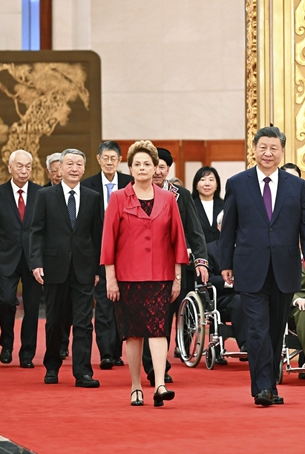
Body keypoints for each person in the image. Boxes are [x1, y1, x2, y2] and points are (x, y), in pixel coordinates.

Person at [219, 126, 305, 407]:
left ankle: (271, 383)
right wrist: (225, 262)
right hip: (250, 267)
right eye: (263, 147)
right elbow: (229, 227)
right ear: (254, 149)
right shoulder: (238, 183)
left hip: (285, 267)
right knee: (257, 328)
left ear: (282, 152)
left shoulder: (296, 185)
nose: (268, 153)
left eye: (274, 148)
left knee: (276, 330)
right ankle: (262, 387)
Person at [102, 140, 188, 407]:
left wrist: (177, 277)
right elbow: (108, 241)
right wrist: (110, 279)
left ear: (155, 168)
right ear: (130, 168)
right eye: (136, 164)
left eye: (147, 164)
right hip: (128, 277)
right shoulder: (118, 198)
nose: (142, 168)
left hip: (161, 276)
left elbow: (178, 240)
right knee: (134, 333)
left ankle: (160, 383)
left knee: (160, 330)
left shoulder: (168, 199)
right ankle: (136, 386)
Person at [29, 149, 104, 388]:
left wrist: (97, 270)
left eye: (79, 164)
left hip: (83, 268)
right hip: (54, 267)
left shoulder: (93, 197)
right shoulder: (45, 195)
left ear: (84, 168)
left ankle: (83, 372)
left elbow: (97, 235)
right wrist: (36, 262)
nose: (74, 168)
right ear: (60, 168)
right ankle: (52, 366)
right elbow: (36, 231)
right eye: (69, 164)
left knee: (83, 322)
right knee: (55, 321)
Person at [142, 147, 209, 384]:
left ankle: (160, 363)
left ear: (168, 169)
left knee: (168, 317)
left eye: (163, 167)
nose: (158, 171)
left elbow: (195, 230)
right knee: (151, 317)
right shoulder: (135, 193)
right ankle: (153, 368)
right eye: (154, 165)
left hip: (176, 269)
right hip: (143, 267)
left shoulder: (180, 195)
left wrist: (201, 261)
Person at [0, 150, 43, 368]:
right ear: (10, 167)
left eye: (28, 166)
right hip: (7, 257)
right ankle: (6, 344)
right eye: (19, 166)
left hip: (34, 260)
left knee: (33, 307)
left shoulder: (41, 193)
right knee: (7, 301)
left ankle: (27, 354)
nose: (24, 170)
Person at [80, 141, 134, 369]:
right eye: (105, 158)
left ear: (120, 160)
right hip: (99, 253)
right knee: (103, 304)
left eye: (114, 158)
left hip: (126, 254)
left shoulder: (129, 184)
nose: (109, 162)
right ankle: (105, 353)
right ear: (98, 159)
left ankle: (117, 351)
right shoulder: (88, 186)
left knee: (122, 303)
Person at [205, 211, 247, 364]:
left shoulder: (247, 249)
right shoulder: (209, 249)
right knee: (238, 301)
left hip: (247, 293)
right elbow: (205, 278)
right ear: (219, 226)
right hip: (220, 296)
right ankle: (245, 345)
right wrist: (226, 282)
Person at [192, 166, 224, 244]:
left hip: (220, 252)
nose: (207, 184)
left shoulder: (225, 205)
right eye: (202, 180)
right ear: (196, 185)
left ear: (217, 185)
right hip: (198, 253)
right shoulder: (190, 206)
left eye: (211, 180)